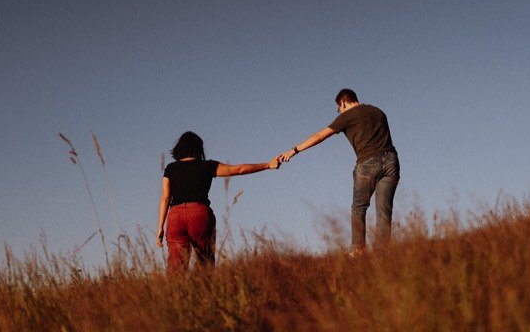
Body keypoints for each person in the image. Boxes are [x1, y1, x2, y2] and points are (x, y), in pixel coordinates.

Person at [280, 88, 399, 253]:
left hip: (367, 163)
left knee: (359, 208)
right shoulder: (378, 111)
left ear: (343, 102)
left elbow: (320, 136)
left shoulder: (347, 116)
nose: (339, 112)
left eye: (338, 108)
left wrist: (294, 150)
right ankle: (382, 253)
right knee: (384, 211)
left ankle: (357, 250)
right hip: (391, 161)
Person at [157, 131, 280, 271]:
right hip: (199, 213)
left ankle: (175, 293)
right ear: (199, 148)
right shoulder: (207, 166)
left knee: (176, 268)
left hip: (175, 216)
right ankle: (207, 290)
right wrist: (267, 165)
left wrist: (160, 227)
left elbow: (165, 198)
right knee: (206, 263)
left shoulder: (170, 168)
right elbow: (239, 169)